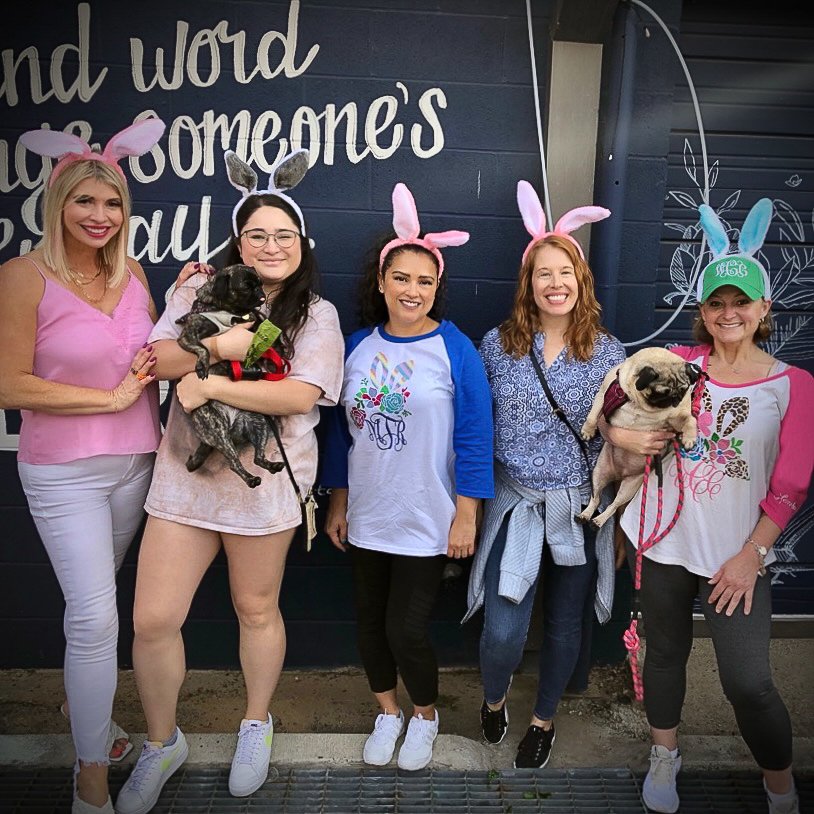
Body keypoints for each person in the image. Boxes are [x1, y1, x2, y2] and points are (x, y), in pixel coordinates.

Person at [115, 149, 344, 814]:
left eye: (283, 235)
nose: (270, 246)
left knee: (255, 610)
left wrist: (208, 379)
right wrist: (218, 346)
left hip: (262, 487)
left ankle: (255, 723)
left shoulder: (316, 315)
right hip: (186, 484)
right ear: (238, 241)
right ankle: (163, 742)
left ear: (301, 244)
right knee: (153, 618)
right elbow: (156, 359)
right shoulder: (196, 290)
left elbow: (302, 395)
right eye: (256, 234)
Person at [615, 199, 812, 814]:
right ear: (702, 312)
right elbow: (621, 408)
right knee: (665, 654)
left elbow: (792, 484)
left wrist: (752, 556)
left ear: (763, 311)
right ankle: (665, 756)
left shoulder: (792, 385)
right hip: (665, 542)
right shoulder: (681, 366)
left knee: (748, 682)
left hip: (736, 554)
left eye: (741, 302)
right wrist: (623, 438)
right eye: (717, 303)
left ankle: (779, 784)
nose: (729, 313)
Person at [0, 120, 166, 814]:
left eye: (112, 204)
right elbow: (8, 384)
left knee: (93, 607)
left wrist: (185, 305)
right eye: (84, 202)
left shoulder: (133, 275)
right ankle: (91, 774)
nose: (100, 217)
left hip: (137, 464)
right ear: (57, 203)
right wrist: (107, 396)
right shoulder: (22, 276)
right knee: (97, 620)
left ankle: (82, 707)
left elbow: (155, 358)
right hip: (64, 473)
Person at [464, 182, 650, 769]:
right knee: (503, 632)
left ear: (581, 280)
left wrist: (617, 525)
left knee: (565, 626)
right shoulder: (497, 346)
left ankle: (543, 720)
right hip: (515, 505)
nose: (555, 283)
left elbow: (625, 449)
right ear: (529, 283)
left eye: (565, 271)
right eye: (543, 273)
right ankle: (495, 700)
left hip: (579, 507)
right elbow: (472, 425)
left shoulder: (608, 350)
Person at [322, 183, 494, 771]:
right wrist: (337, 502)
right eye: (402, 278)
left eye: (425, 281)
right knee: (369, 624)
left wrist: (467, 510)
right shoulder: (354, 347)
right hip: (368, 513)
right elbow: (340, 434)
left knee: (407, 629)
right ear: (381, 282)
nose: (412, 290)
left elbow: (475, 435)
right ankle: (387, 711)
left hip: (429, 515)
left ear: (435, 289)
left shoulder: (456, 349)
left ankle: (424, 715)